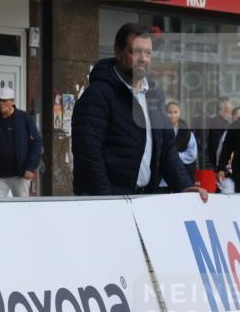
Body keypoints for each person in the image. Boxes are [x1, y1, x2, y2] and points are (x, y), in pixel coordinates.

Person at [71, 23, 208, 201]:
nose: (143, 58)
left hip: (144, 201)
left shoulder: (155, 94)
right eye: (136, 52)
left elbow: (167, 148)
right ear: (118, 52)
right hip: (108, 202)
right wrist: (105, 201)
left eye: (148, 53)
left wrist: (184, 186)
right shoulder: (98, 95)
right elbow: (88, 154)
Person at [0, 86, 42, 197]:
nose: (1, 103)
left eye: (4, 101)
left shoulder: (24, 118)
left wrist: (31, 167)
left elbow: (37, 143)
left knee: (22, 208)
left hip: (20, 175)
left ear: (12, 102)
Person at [158, 101, 198, 193]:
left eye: (175, 112)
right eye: (169, 112)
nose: (172, 115)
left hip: (181, 174)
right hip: (161, 177)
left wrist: (174, 156)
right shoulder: (159, 130)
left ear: (180, 114)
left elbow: (192, 154)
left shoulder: (187, 132)